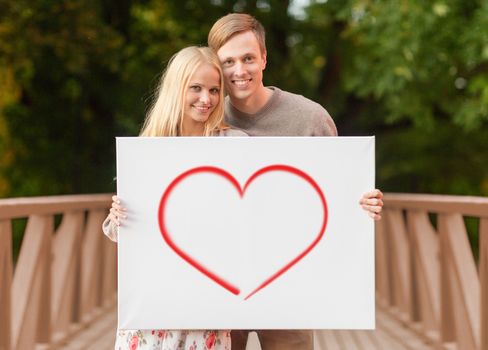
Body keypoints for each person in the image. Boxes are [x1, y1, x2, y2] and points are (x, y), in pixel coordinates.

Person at [208, 13, 384, 350]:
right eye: (227, 61)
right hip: (224, 284)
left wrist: (362, 201)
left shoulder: (309, 117)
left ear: (264, 59)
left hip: (290, 282)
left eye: (248, 58)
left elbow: (338, 193)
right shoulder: (206, 116)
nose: (239, 70)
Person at [103, 46, 246, 350]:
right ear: (176, 88)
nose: (206, 99)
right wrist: (118, 217)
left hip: (208, 300)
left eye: (214, 90)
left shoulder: (234, 145)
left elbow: (264, 205)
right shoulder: (149, 147)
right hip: (153, 305)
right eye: (196, 88)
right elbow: (121, 234)